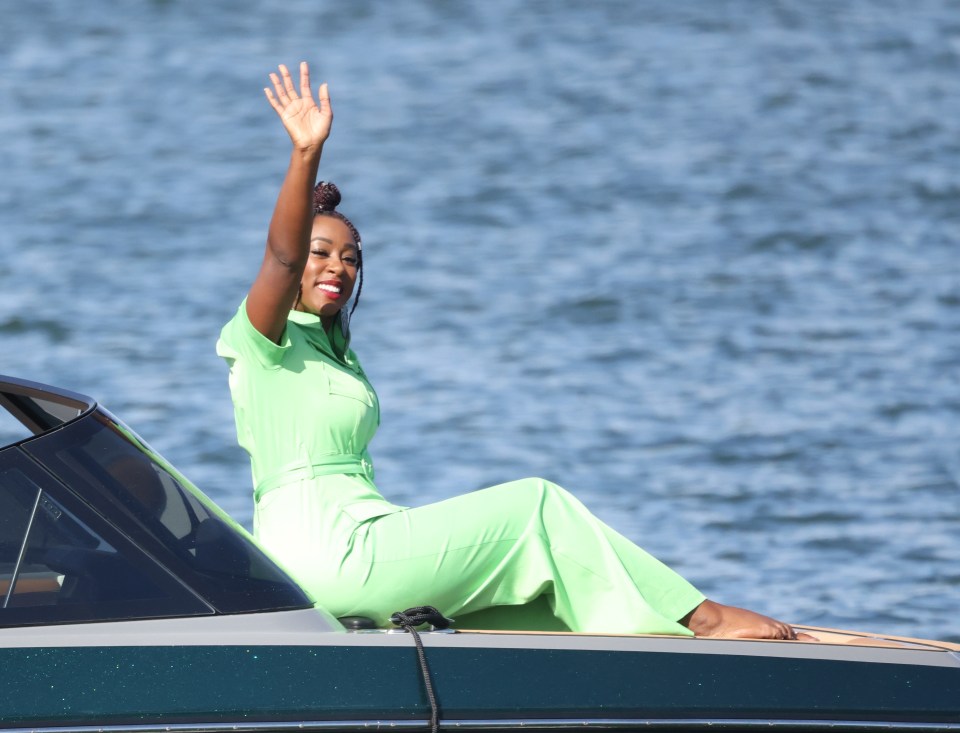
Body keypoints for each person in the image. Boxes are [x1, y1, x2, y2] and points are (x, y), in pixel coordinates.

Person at [217, 62, 811, 640]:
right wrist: (305, 153)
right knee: (538, 506)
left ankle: (669, 648)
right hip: (327, 555)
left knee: (547, 611)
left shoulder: (335, 351)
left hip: (369, 535)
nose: (337, 267)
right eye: (322, 253)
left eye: (350, 257)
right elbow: (282, 257)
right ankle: (700, 618)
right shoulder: (263, 340)